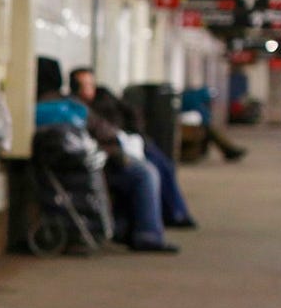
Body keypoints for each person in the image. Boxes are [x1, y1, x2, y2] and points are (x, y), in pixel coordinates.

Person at [35, 58, 176, 253]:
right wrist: (118, 146)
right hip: (92, 164)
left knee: (149, 166)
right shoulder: (67, 107)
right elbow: (102, 131)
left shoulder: (46, 106)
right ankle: (148, 234)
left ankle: (135, 228)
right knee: (146, 173)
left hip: (82, 162)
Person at [69, 68, 198, 229]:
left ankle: (176, 212)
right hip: (117, 148)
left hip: (130, 140)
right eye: (84, 85)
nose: (88, 89)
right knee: (149, 171)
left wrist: (136, 133)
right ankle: (167, 218)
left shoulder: (104, 96)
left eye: (90, 84)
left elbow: (129, 112)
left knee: (164, 165)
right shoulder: (78, 108)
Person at [180, 85, 247, 162]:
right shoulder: (194, 99)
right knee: (208, 130)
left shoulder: (193, 98)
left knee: (208, 130)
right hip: (188, 125)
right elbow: (204, 117)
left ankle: (229, 150)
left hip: (191, 123)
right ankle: (229, 150)